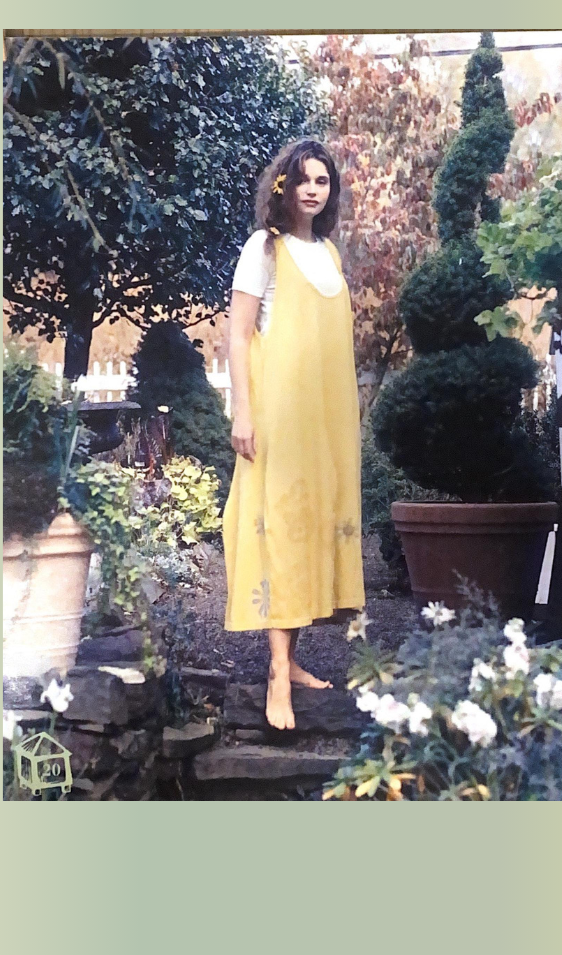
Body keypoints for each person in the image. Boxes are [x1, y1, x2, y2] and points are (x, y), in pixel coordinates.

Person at [222, 139, 366, 729]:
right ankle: (278, 672)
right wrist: (242, 413)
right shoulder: (264, 248)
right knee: (281, 527)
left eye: (322, 181)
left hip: (326, 419)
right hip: (279, 415)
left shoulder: (329, 253)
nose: (312, 189)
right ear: (283, 186)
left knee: (309, 528)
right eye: (303, 179)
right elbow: (237, 336)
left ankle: (296, 657)